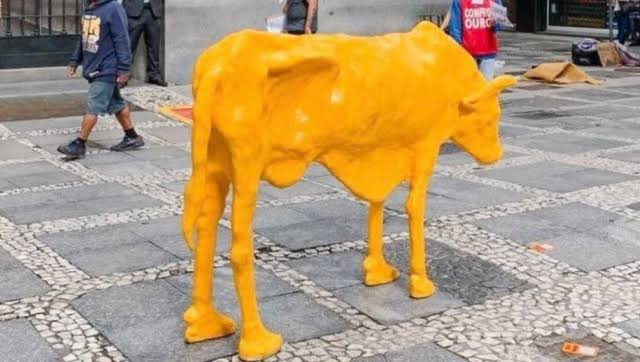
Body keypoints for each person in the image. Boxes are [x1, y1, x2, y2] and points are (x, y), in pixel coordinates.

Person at [58, 0, 144, 159]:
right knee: (116, 103)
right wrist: (75, 60)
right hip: (94, 66)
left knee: (93, 105)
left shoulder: (113, 8)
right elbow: (84, 37)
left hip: (106, 68)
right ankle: (132, 137)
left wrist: (124, 68)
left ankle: (79, 144)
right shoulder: (90, 8)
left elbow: (122, 39)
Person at [448, 0, 502, 80]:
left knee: (486, 86)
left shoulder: (495, 1)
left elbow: (498, 26)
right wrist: (458, 46)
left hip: (488, 50)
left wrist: (496, 21)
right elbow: (455, 28)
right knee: (468, 84)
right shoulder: (459, 1)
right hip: (467, 51)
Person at [122, 0, 167, 86]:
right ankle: (123, 75)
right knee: (129, 45)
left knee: (154, 46)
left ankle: (154, 75)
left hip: (154, 9)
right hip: (133, 9)